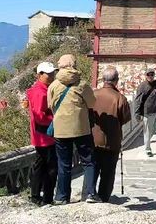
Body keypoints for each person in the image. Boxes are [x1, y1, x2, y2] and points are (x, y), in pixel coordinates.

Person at [47, 54, 98, 204]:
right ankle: (90, 194)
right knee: (88, 161)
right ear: (74, 65)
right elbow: (92, 103)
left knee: (64, 164)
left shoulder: (53, 85)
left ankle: (62, 197)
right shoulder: (82, 84)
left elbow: (50, 105)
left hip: (61, 129)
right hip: (81, 128)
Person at [91, 66, 131, 202]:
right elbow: (125, 118)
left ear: (103, 79)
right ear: (116, 81)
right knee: (108, 172)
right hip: (112, 141)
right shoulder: (120, 98)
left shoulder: (93, 95)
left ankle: (89, 194)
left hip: (93, 139)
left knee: (92, 169)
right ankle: (104, 198)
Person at [26, 61, 58, 205]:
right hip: (45, 136)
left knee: (41, 166)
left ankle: (36, 195)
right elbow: (40, 116)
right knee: (50, 168)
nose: (52, 76)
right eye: (48, 73)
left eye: (52, 73)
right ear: (40, 75)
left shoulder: (39, 90)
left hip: (41, 135)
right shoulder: (40, 92)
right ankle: (46, 198)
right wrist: (56, 118)